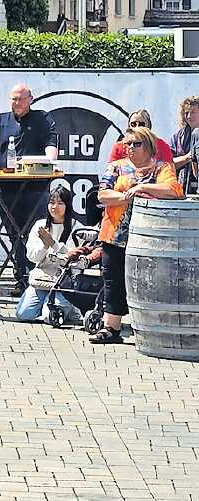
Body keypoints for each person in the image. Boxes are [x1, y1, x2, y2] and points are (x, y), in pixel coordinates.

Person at [90, 126, 183, 344]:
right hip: (115, 235)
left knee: (151, 282)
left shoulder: (162, 168)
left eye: (136, 143)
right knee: (113, 281)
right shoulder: (116, 167)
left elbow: (174, 190)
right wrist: (127, 197)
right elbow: (103, 194)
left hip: (152, 237)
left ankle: (154, 328)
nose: (130, 148)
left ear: (149, 146)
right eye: (127, 144)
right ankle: (111, 327)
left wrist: (145, 189)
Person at [0, 83, 59, 297]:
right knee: (14, 234)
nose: (17, 103)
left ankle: (39, 278)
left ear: (30, 99)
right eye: (13, 99)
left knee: (36, 234)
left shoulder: (42, 119)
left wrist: (50, 160)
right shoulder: (0, 120)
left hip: (36, 189)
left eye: (21, 99)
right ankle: (20, 278)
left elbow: (51, 141)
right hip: (7, 190)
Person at [14, 188, 81, 322]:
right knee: (23, 314)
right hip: (42, 279)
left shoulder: (76, 227)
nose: (55, 207)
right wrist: (44, 246)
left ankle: (71, 307)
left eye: (60, 203)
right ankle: (45, 302)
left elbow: (73, 258)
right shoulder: (40, 225)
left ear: (68, 206)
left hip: (64, 281)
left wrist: (53, 244)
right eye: (51, 202)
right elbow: (32, 257)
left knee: (49, 317)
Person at [106, 110, 173, 163]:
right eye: (133, 124)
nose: (137, 127)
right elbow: (111, 173)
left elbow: (168, 171)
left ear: (149, 127)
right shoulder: (119, 147)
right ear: (129, 127)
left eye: (141, 124)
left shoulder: (161, 145)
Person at [169, 96, 199, 196]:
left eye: (193, 112)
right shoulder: (177, 137)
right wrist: (188, 157)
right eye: (186, 113)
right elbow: (168, 164)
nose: (189, 116)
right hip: (182, 191)